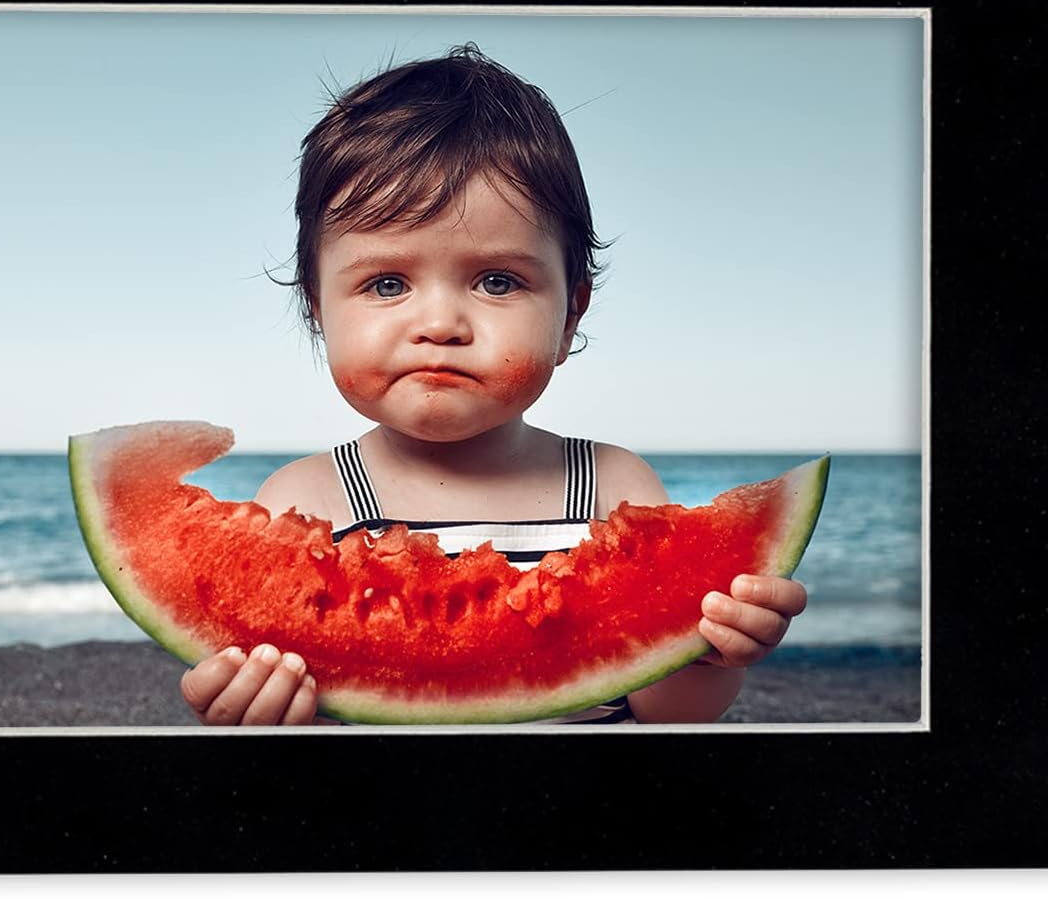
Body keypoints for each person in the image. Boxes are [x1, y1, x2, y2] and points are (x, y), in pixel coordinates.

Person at [180, 44, 806, 726]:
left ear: (570, 315)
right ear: (317, 310)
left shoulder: (614, 485)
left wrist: (702, 654)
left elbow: (670, 713)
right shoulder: (303, 502)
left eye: (497, 281)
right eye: (386, 284)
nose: (440, 324)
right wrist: (256, 708)